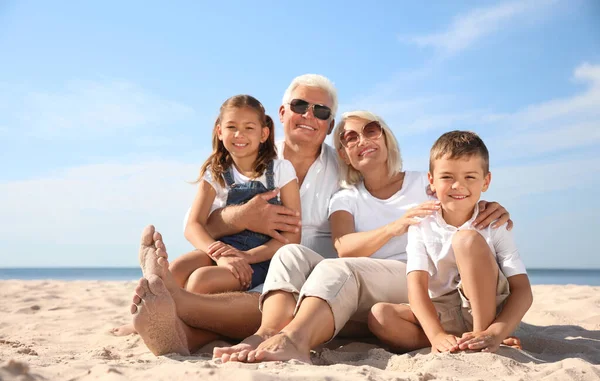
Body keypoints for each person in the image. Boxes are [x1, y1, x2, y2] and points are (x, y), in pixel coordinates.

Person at [121, 75, 512, 357]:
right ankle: (176, 328)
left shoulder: (369, 173)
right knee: (197, 265)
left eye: (321, 111)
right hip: (273, 259)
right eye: (300, 106)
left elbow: (456, 191)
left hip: (337, 275)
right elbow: (207, 224)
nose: (309, 115)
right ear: (281, 112)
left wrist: (487, 207)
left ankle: (181, 310)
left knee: (229, 282)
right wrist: (242, 217)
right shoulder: (255, 153)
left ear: (327, 126)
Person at [214, 111, 514, 364]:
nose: (363, 140)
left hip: (419, 278)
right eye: (350, 137)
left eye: (371, 130)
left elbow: (463, 196)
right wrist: (395, 227)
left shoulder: (424, 181)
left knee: (338, 269)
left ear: (386, 138)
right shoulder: (345, 198)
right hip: (362, 283)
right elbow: (344, 247)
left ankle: (295, 341)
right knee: (290, 254)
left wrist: (493, 207)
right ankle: (265, 333)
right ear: (344, 154)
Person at [368, 130, 533, 353]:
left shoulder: (494, 222)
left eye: (470, 177)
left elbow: (523, 291)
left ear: (486, 181)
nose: (458, 185)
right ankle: (454, 342)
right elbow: (416, 286)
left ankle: (482, 336)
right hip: (445, 311)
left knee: (465, 240)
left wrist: (496, 331)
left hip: (490, 310)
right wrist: (436, 335)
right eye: (447, 177)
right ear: (431, 181)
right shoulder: (421, 224)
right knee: (380, 315)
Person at [171, 94, 300, 294]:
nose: (239, 134)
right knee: (175, 270)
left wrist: (246, 257)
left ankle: (182, 319)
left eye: (249, 128)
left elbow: (293, 236)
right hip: (224, 249)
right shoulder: (215, 172)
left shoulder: (281, 170)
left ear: (263, 134)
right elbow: (193, 226)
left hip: (262, 258)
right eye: (232, 127)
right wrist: (220, 255)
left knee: (200, 281)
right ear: (219, 131)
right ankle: (156, 319)